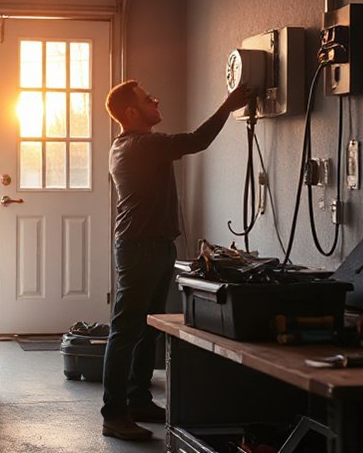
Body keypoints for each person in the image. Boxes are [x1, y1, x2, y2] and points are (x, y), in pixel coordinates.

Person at [100, 79, 253, 440]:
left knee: (145, 329)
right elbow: (196, 140)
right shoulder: (140, 145)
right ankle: (113, 415)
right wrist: (228, 106)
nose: (156, 98)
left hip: (152, 246)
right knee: (125, 331)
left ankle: (137, 399)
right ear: (132, 112)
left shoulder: (129, 144)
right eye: (146, 98)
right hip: (140, 248)